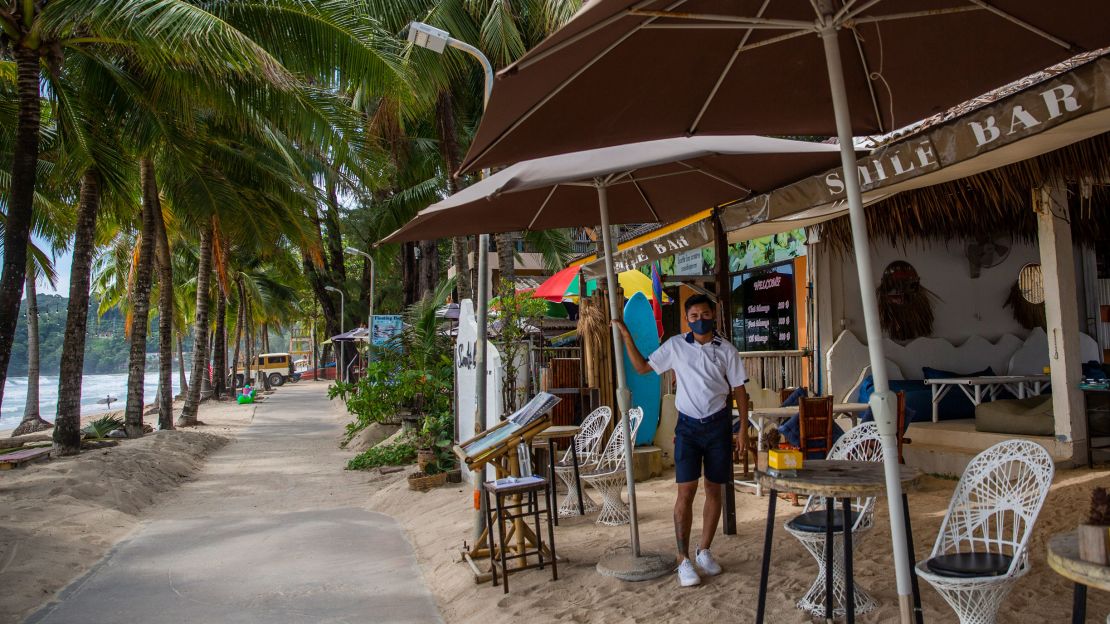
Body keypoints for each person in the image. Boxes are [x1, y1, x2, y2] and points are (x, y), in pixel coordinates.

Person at [614, 294, 749, 587]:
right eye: (693, 316)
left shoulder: (727, 350)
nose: (700, 319)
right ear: (686, 320)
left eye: (704, 314)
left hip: (719, 426)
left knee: (715, 490)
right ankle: (682, 559)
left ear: (714, 314)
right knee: (685, 492)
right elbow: (641, 368)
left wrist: (742, 430)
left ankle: (704, 551)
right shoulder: (676, 346)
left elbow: (739, 390)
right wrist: (626, 335)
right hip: (687, 428)